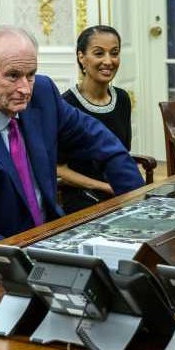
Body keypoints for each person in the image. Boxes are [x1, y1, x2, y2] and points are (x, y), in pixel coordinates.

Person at [0, 24, 144, 252]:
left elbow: (101, 142)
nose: (25, 89)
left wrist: (139, 207)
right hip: (6, 256)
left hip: (54, 235)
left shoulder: (43, 92)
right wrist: (41, 260)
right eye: (13, 76)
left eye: (30, 75)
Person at [57, 25, 132, 213]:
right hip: (83, 198)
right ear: (81, 57)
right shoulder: (65, 104)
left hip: (120, 193)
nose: (108, 61)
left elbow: (124, 153)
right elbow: (58, 169)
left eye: (114, 53)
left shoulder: (122, 98)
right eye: (99, 53)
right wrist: (106, 188)